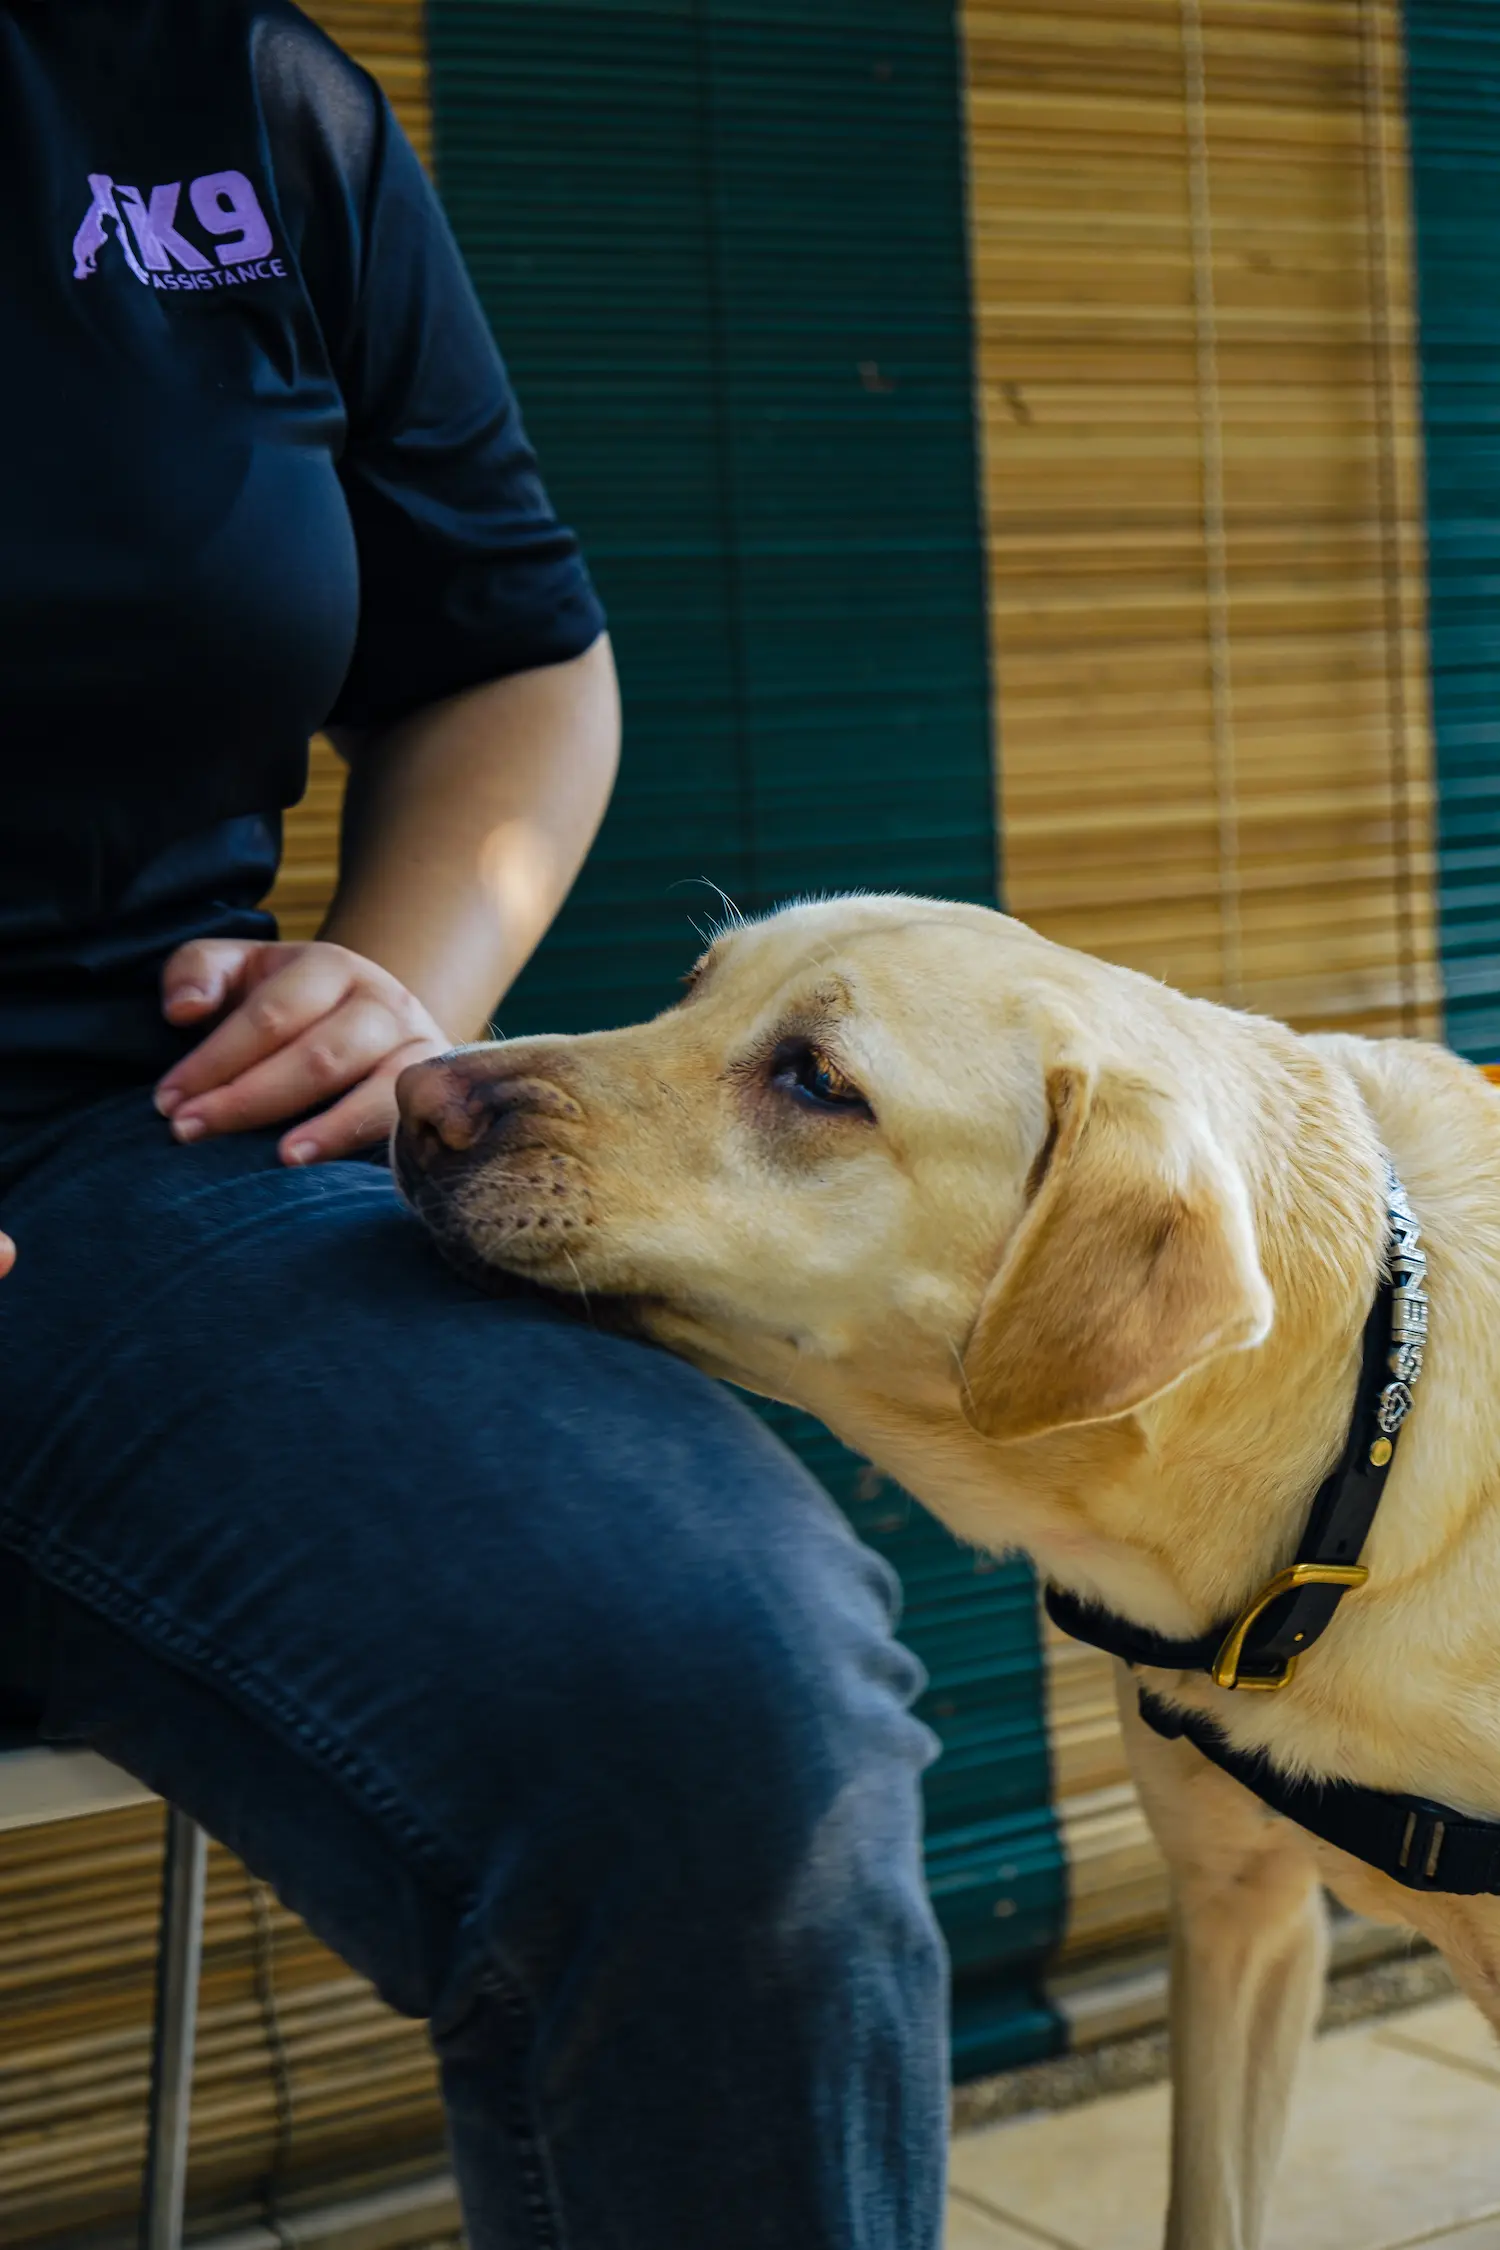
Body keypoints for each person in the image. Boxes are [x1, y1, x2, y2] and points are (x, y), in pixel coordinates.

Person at [0, 3, 948, 2243]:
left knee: (729, 1729)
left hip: (147, 1139)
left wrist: (407, 980)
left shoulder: (230, 95)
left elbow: (504, 651)